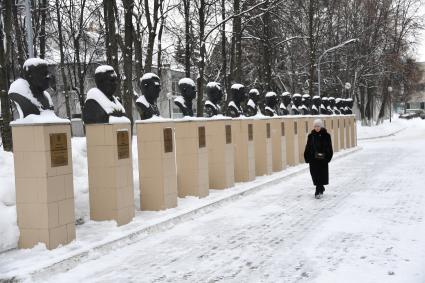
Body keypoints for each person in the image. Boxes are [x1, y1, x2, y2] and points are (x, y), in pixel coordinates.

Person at [304, 119, 333, 199]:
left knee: (321, 174)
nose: (316, 128)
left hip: (322, 159)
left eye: (318, 126)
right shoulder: (311, 136)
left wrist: (327, 157)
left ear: (321, 126)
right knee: (314, 174)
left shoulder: (326, 135)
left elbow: (329, 147)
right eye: (315, 126)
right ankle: (321, 187)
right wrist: (306, 156)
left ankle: (318, 190)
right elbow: (308, 146)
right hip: (313, 159)